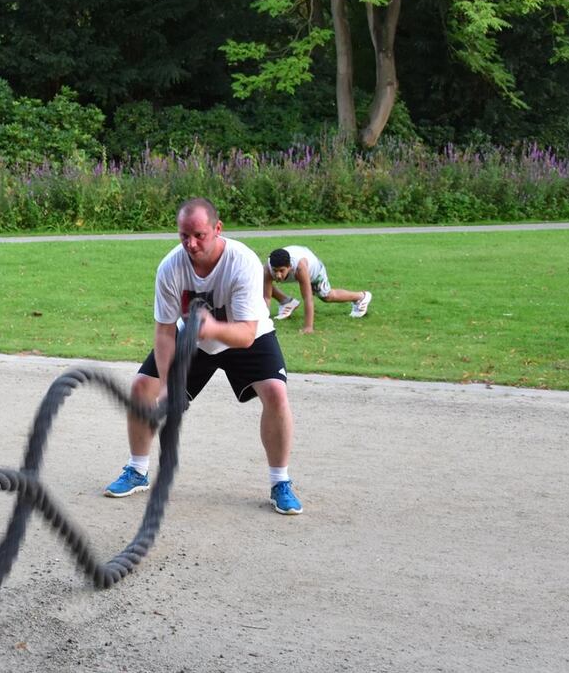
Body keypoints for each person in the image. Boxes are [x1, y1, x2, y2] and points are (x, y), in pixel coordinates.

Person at [104, 197, 302, 515]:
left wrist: (211, 328)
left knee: (276, 393)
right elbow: (165, 331)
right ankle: (136, 470)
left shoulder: (243, 262)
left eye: (199, 235)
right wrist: (169, 383)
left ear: (217, 229)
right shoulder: (170, 267)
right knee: (142, 386)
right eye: (184, 236)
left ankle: (281, 482)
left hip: (246, 335)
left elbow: (246, 333)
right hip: (193, 339)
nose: (191, 244)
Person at [265, 246, 372, 334]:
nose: (278, 275)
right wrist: (263, 323)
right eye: (275, 271)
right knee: (261, 284)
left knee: (327, 296)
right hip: (299, 254)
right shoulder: (268, 268)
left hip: (314, 270)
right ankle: (286, 302)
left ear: (289, 267)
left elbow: (308, 298)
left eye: (281, 271)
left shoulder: (300, 268)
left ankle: (361, 297)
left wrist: (308, 327)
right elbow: (266, 297)